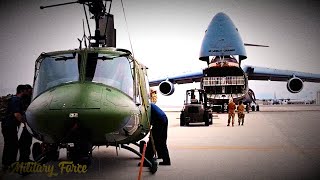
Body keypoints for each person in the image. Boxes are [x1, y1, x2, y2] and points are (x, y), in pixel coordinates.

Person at [1, 85, 28, 171]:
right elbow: (17, 114)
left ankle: (7, 163)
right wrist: (24, 122)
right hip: (9, 126)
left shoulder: (14, 99)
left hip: (7, 125)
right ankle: (9, 164)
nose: (27, 92)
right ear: (22, 91)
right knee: (12, 145)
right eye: (26, 91)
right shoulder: (16, 100)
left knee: (10, 144)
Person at [18, 84, 33, 162]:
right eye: (27, 90)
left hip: (28, 123)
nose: (27, 91)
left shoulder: (29, 97)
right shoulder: (25, 98)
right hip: (28, 123)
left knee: (25, 142)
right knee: (24, 142)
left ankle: (24, 158)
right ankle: (24, 159)